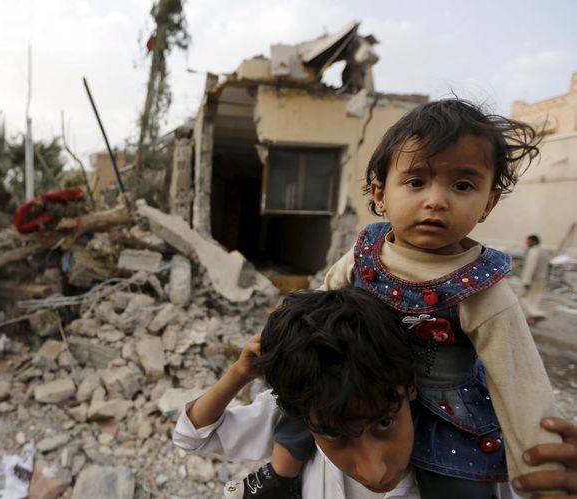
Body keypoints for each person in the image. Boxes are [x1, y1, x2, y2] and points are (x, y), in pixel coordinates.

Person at [251, 98, 564, 499]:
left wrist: (540, 472)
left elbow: (520, 384)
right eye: (416, 182)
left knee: (460, 488)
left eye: (463, 185)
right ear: (380, 193)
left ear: (488, 202)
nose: (436, 200)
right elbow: (323, 306)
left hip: (445, 411)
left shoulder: (483, 288)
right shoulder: (367, 252)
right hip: (361, 386)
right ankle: (280, 476)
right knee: (305, 408)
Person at [172, 288, 575, 498]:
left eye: (384, 422)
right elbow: (192, 435)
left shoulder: (482, 460)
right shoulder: (315, 402)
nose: (374, 471)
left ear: (410, 388)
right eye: (335, 435)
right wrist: (241, 373)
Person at [519, 234, 551, 325]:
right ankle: (530, 319)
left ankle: (535, 314)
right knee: (534, 300)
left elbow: (530, 267)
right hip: (542, 279)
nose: (526, 243)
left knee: (524, 298)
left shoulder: (533, 251)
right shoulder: (544, 251)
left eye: (528, 241)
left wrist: (526, 281)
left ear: (533, 241)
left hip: (532, 280)